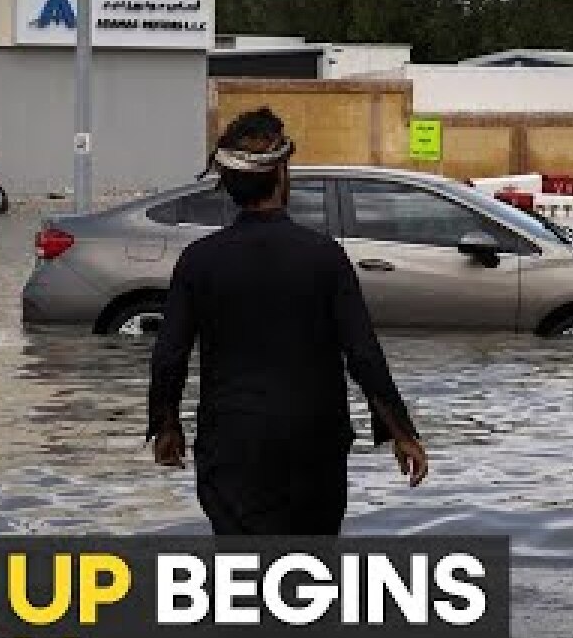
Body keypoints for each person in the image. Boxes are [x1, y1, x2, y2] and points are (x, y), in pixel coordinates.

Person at [146, 107, 428, 536]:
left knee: (243, 583)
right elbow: (362, 353)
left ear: (227, 186)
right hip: (314, 448)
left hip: (231, 446)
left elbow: (169, 356)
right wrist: (401, 431)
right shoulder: (323, 255)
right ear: (281, 175)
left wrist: (166, 426)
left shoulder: (199, 261)